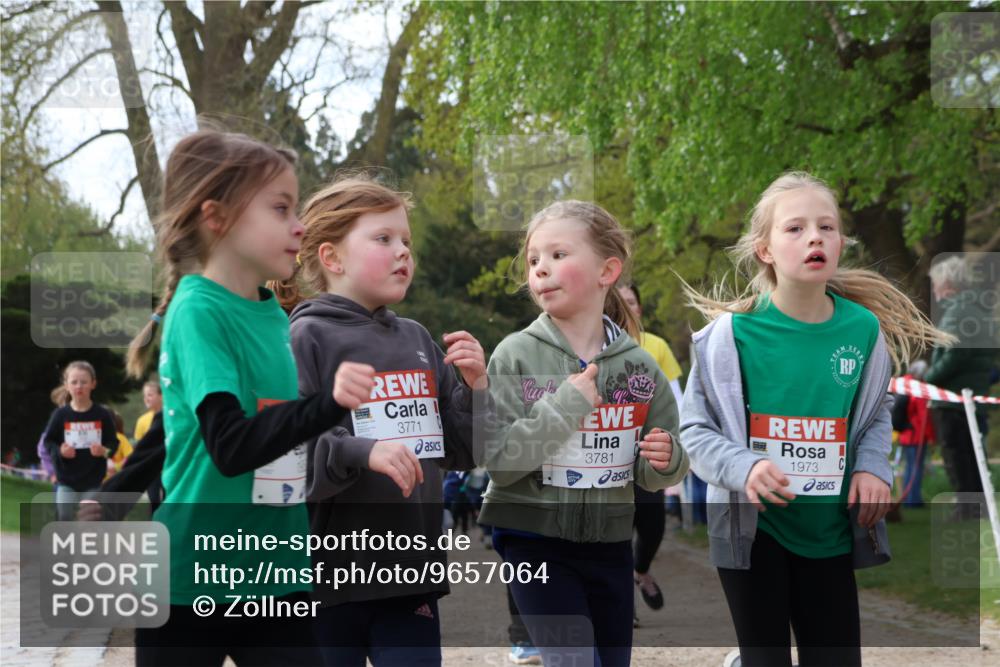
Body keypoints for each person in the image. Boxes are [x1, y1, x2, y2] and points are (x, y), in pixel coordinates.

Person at [679, 171, 953, 667]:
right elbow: (694, 431)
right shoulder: (727, 337)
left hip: (827, 532)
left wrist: (873, 467)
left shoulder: (862, 329)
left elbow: (872, 414)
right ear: (765, 249)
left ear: (841, 242)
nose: (814, 237)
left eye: (826, 227)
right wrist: (745, 468)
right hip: (751, 530)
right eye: (795, 228)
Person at [123, 129, 371, 666]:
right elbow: (229, 446)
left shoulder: (274, 316)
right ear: (218, 218)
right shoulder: (197, 311)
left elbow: (205, 430)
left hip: (277, 574)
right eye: (281, 209)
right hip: (193, 580)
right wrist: (327, 404)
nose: (299, 226)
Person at [269, 176, 483, 667]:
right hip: (325, 585)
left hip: (410, 579)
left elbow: (468, 453)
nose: (403, 251)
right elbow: (285, 460)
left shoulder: (418, 339)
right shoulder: (303, 338)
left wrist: (477, 390)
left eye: (406, 240)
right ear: (332, 258)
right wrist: (362, 451)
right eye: (383, 238)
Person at [479, 200, 689, 667]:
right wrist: (568, 404)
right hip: (532, 541)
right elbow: (501, 460)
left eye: (558, 255)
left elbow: (661, 465)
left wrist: (664, 459)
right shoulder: (514, 355)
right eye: (534, 260)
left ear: (606, 270)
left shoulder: (639, 364)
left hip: (610, 544)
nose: (541, 269)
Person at [925, 255, 998, 517]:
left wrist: (929, 378)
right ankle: (978, 506)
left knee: (958, 454)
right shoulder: (977, 309)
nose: (934, 291)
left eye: (936, 285)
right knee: (973, 453)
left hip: (955, 397)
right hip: (972, 395)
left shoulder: (959, 311)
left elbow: (956, 355)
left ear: (947, 284)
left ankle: (967, 508)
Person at [42, 361, 118, 520]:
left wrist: (104, 451)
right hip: (66, 480)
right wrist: (60, 452)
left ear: (93, 384)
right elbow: (48, 442)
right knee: (64, 516)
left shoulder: (102, 415)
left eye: (84, 382)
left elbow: (114, 444)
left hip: (93, 480)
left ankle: (88, 544)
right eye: (74, 382)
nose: (79, 386)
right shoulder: (60, 415)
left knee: (90, 520)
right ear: (66, 385)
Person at [895, 360, 935, 508]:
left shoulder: (904, 383)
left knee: (910, 467)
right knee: (915, 468)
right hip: (916, 435)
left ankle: (909, 499)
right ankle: (913, 500)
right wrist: (931, 437)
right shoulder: (917, 389)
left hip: (906, 434)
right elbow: (923, 415)